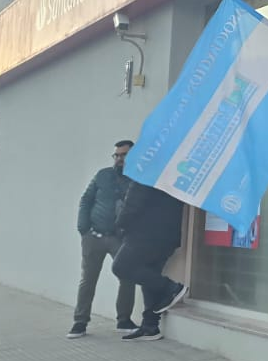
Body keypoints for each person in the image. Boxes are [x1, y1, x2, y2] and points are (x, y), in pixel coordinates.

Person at [67, 139, 137, 338]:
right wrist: (83, 229)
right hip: (94, 236)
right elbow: (86, 200)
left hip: (120, 239)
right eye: (117, 155)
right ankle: (80, 322)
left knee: (127, 277)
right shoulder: (103, 175)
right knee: (88, 280)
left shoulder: (137, 179)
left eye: (124, 155)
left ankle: (124, 320)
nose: (119, 159)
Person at [111, 179, 190, 342]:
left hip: (144, 234)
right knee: (150, 277)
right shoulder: (173, 176)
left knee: (120, 267)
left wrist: (119, 225)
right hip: (168, 236)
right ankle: (150, 326)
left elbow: (132, 205)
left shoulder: (145, 175)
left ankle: (171, 287)